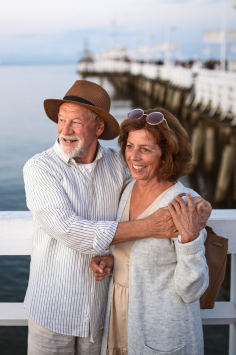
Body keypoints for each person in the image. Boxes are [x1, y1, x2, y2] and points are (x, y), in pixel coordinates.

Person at [23, 80, 212, 355]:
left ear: (99, 127)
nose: (65, 130)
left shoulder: (117, 164)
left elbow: (159, 183)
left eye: (75, 122)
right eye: (61, 120)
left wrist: (198, 203)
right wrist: (148, 227)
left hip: (102, 312)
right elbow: (70, 230)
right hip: (54, 309)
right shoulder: (40, 168)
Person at [91, 108, 209, 355]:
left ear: (166, 155)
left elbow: (192, 290)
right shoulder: (127, 189)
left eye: (145, 149)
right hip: (120, 316)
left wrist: (190, 241)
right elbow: (141, 254)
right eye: (130, 145)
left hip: (160, 330)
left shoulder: (183, 205)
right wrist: (113, 261)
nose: (134, 156)